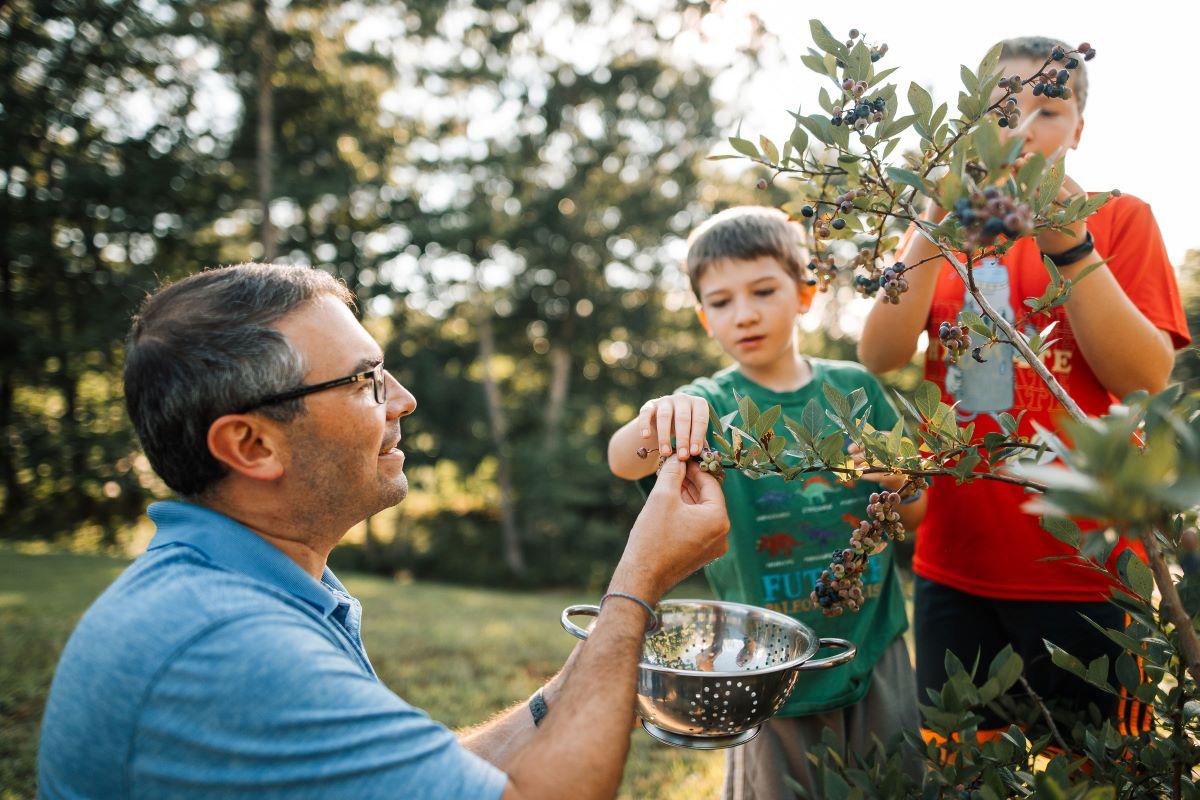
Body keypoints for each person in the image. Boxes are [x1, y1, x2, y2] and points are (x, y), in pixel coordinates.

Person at [37, 263, 731, 800]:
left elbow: (441, 780)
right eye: (365, 380)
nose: (403, 398)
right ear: (251, 446)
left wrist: (585, 677)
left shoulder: (255, 583)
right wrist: (639, 581)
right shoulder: (225, 643)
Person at [858, 36, 1191, 739]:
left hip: (1090, 574)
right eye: (1005, 104)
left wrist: (1069, 242)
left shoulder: (1118, 218)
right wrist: (926, 220)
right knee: (961, 775)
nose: (1024, 124)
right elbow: (881, 352)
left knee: (1100, 777)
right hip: (954, 567)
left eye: (1049, 107)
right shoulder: (941, 231)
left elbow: (1145, 380)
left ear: (1078, 129)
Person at [608, 206, 924, 799]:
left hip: (874, 650)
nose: (745, 313)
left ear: (804, 294)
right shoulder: (706, 402)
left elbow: (915, 516)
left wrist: (897, 483)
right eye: (721, 302)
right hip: (765, 669)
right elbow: (622, 459)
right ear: (704, 318)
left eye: (762, 291)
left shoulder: (856, 388)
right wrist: (660, 415)